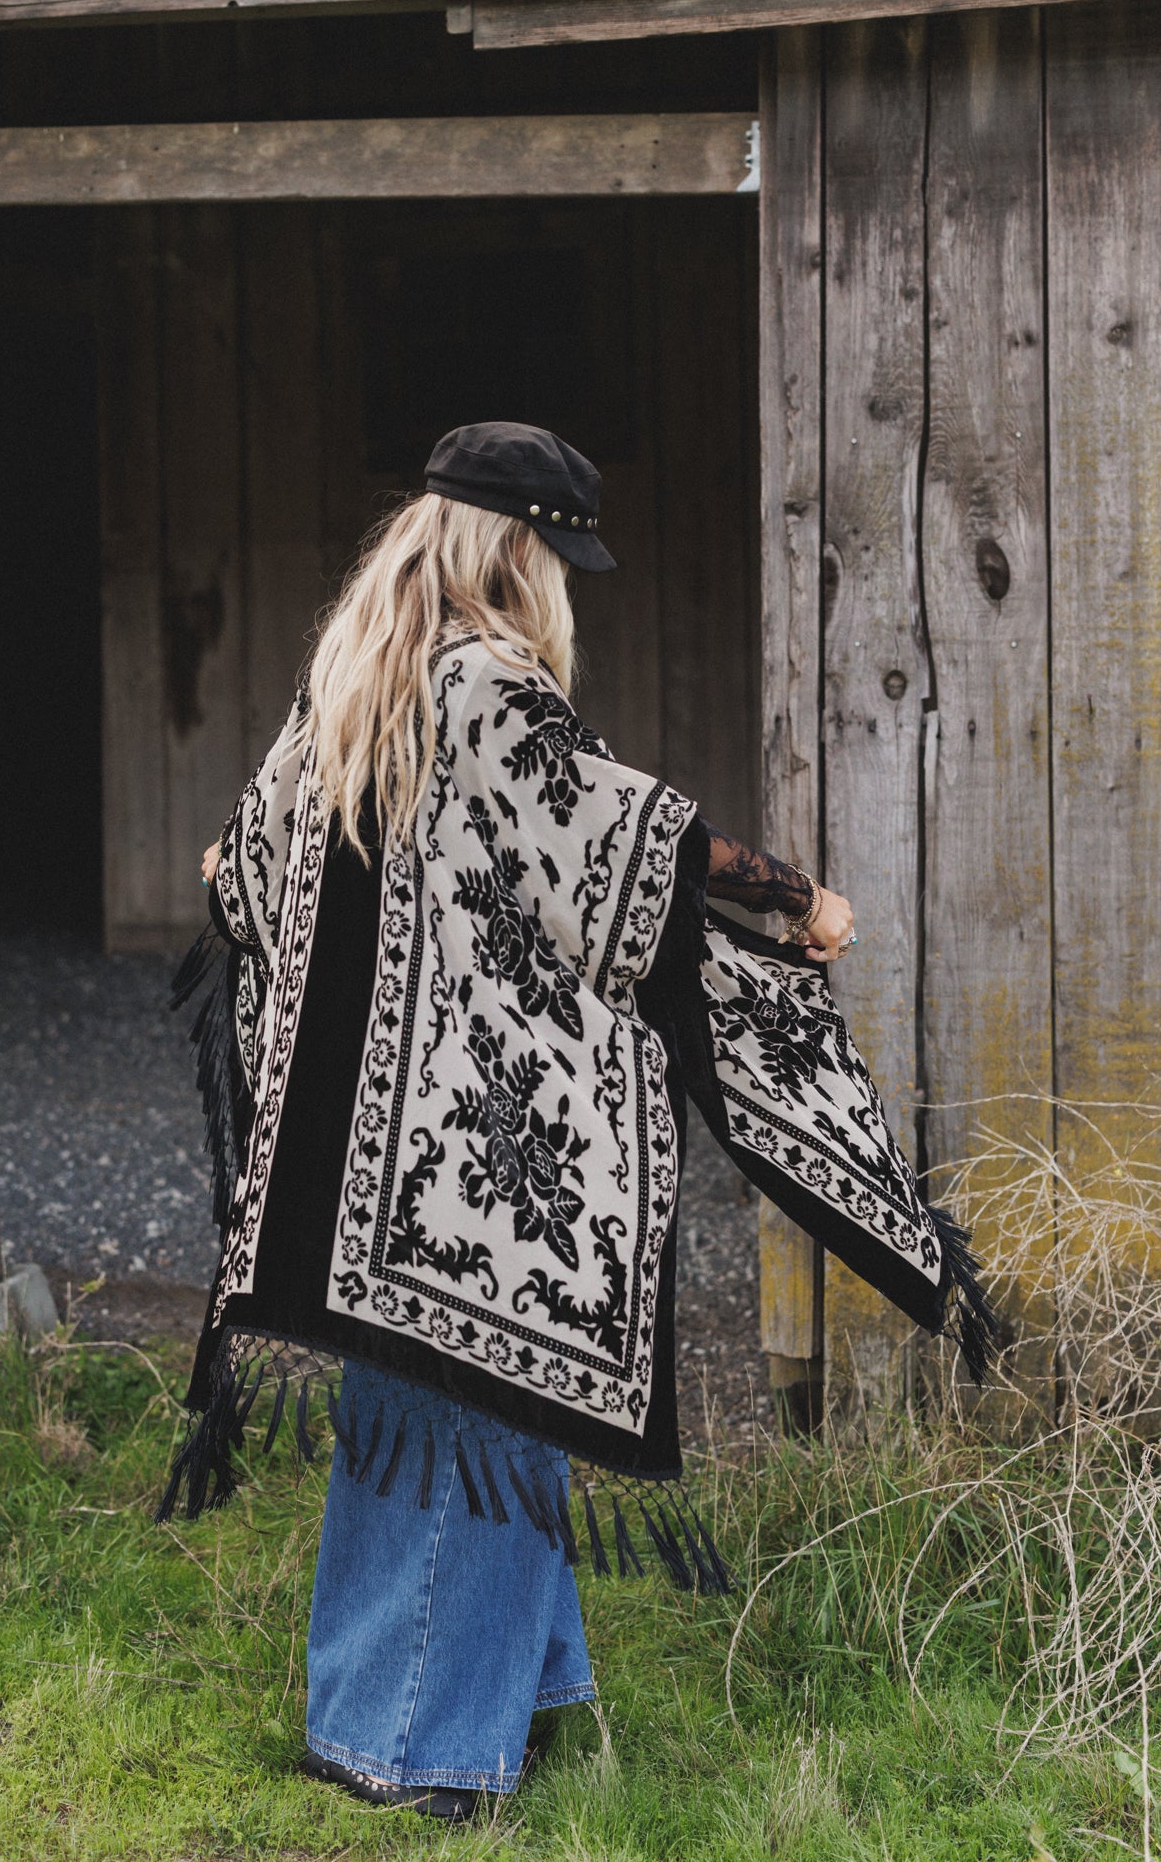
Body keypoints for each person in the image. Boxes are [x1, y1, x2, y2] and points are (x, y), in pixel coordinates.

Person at [166, 422, 994, 1823]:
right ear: (515, 547)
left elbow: (241, 873)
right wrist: (793, 896)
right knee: (476, 1418)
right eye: (560, 551)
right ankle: (406, 1755)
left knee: (452, 1419)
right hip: (480, 1169)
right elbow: (624, 839)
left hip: (379, 1176)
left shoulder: (346, 687)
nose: (565, 582)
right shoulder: (487, 685)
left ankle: (523, 1697)